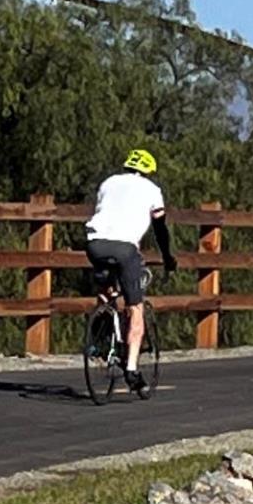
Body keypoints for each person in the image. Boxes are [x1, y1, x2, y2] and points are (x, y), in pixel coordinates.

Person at [84, 148, 177, 393]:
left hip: (95, 245)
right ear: (148, 171)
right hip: (125, 249)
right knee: (135, 307)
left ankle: (98, 338)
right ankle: (132, 370)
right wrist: (168, 257)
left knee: (107, 290)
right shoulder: (152, 190)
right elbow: (160, 229)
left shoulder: (108, 183)